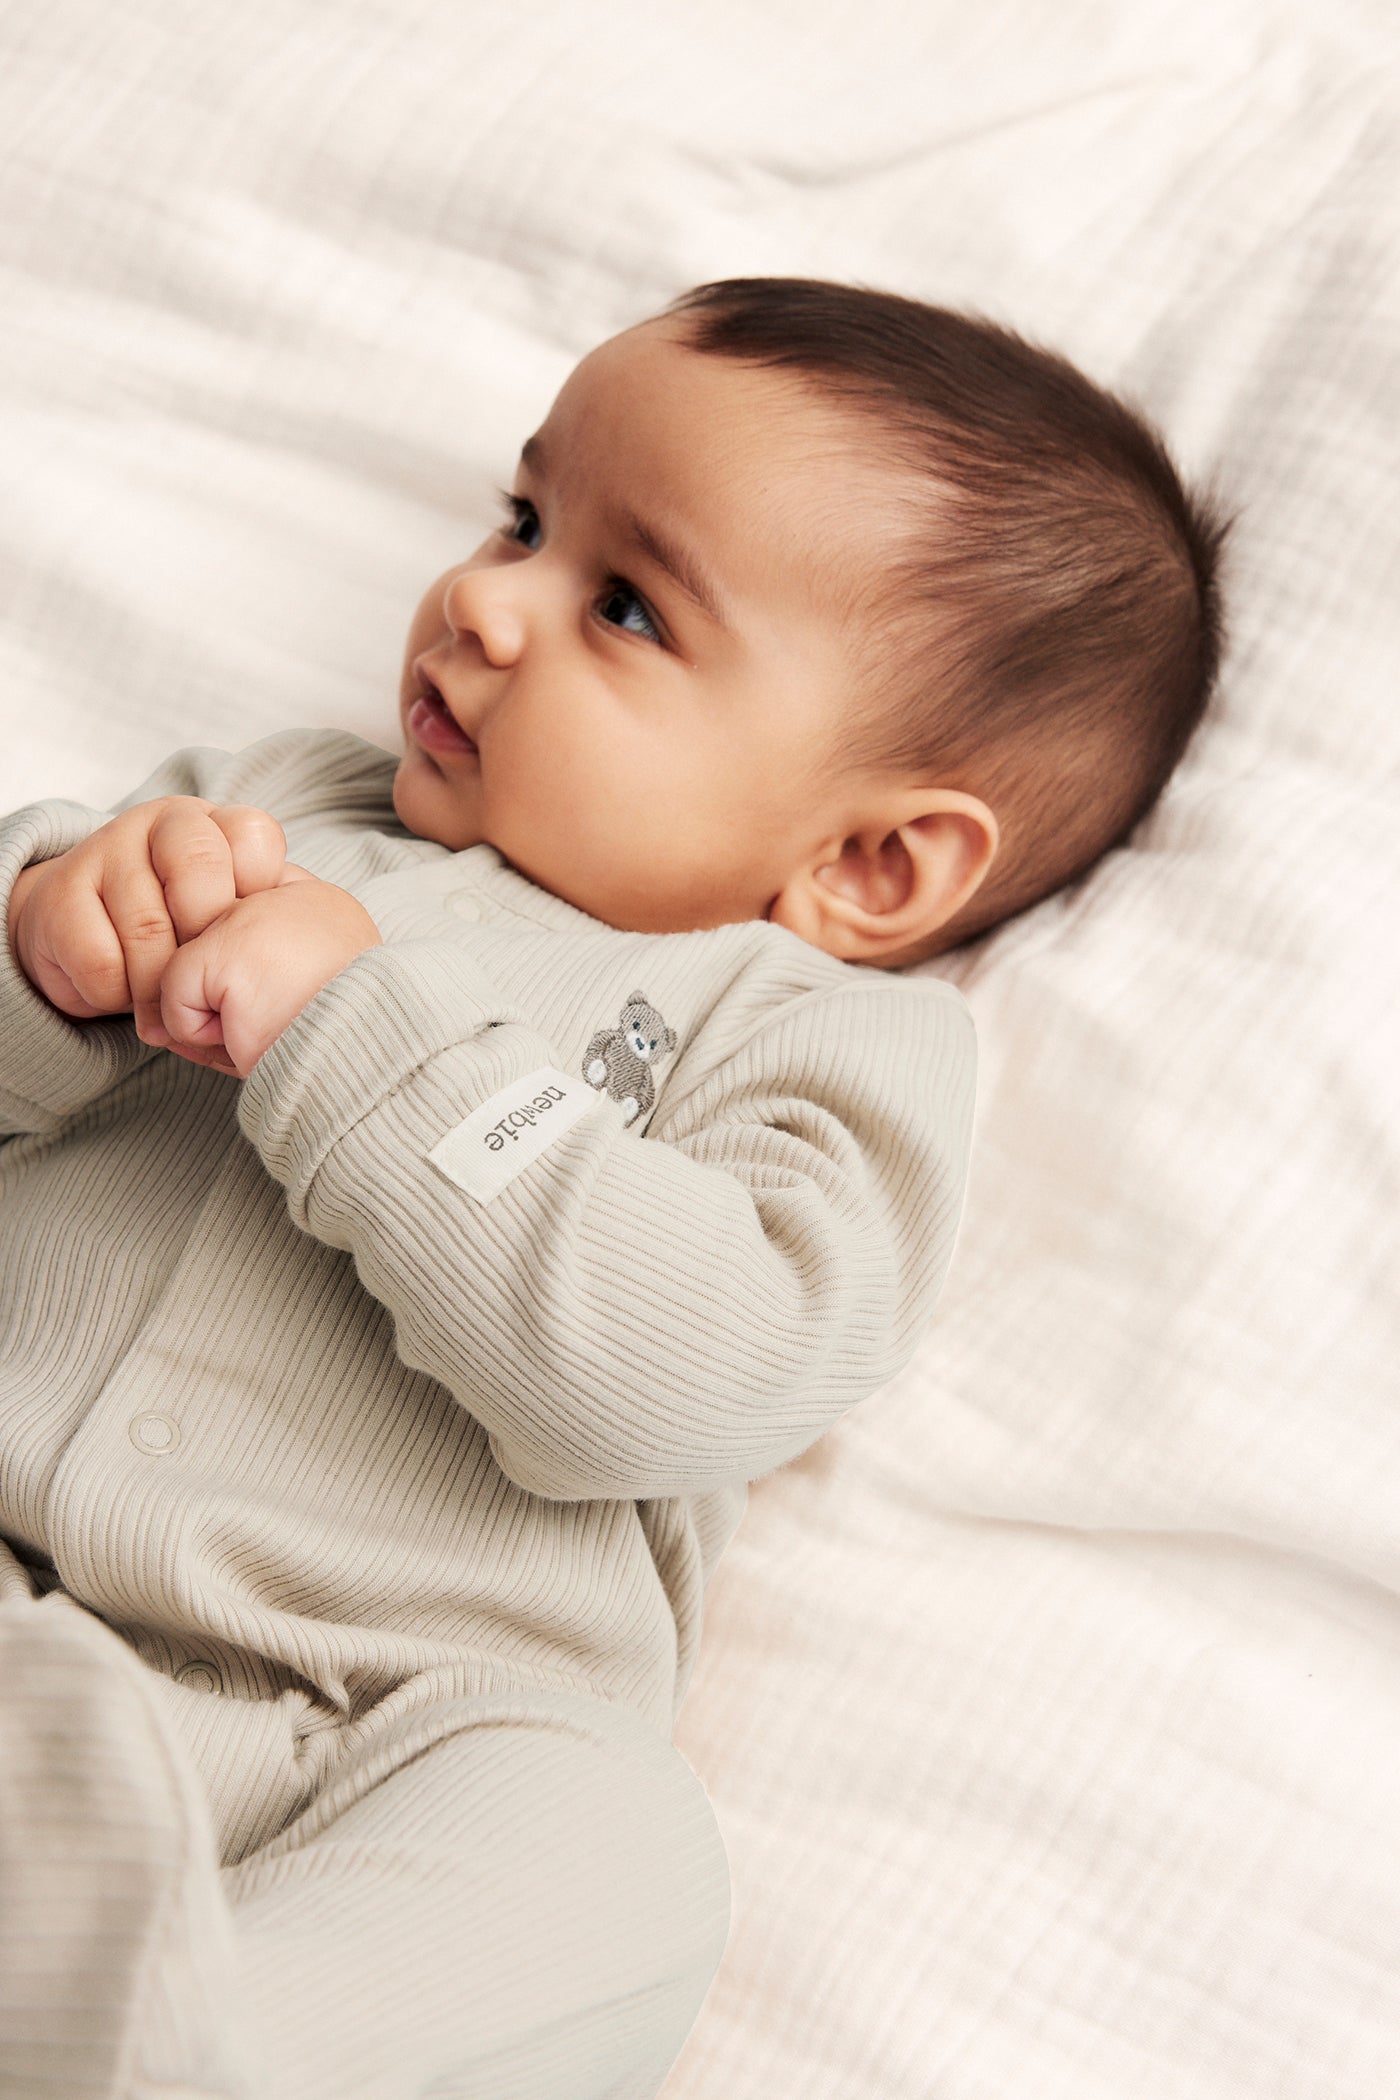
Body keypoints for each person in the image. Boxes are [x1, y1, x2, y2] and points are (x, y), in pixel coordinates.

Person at [0, 278, 1227, 2099]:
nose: (485, 602)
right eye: (520, 519)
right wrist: (50, 948)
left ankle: (210, 2055)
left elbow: (690, 1373)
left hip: (396, 1718)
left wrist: (353, 1036)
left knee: (617, 1857)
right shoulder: (271, 807)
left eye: (626, 605)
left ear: (874, 861)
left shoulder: (808, 1041)